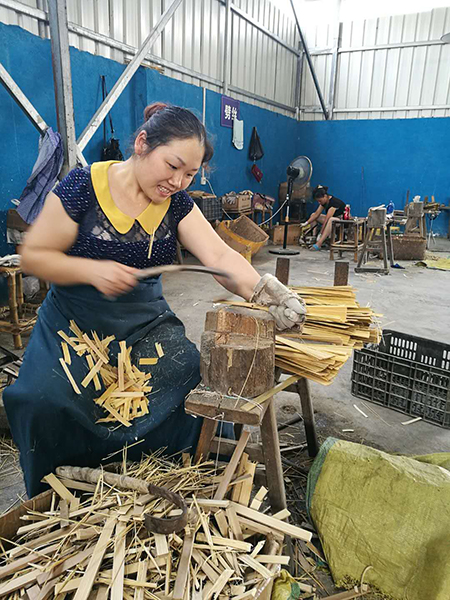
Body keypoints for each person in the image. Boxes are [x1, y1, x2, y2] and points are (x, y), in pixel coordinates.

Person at [4, 102, 306, 498]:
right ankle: (62, 498)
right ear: (142, 143)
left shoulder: (176, 203)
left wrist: (264, 291)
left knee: (196, 383)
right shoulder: (83, 186)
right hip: (74, 325)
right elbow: (35, 255)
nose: (178, 181)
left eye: (190, 173)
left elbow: (219, 256)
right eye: (172, 165)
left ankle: (174, 488)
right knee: (40, 399)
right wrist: (90, 271)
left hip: (145, 324)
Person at [302, 185, 346, 251]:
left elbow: (327, 219)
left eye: (320, 201)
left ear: (325, 196)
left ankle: (319, 244)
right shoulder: (324, 202)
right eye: (318, 201)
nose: (319, 202)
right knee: (313, 215)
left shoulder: (334, 203)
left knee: (330, 220)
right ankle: (314, 238)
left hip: (342, 221)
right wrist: (306, 223)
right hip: (333, 220)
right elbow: (316, 214)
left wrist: (321, 233)